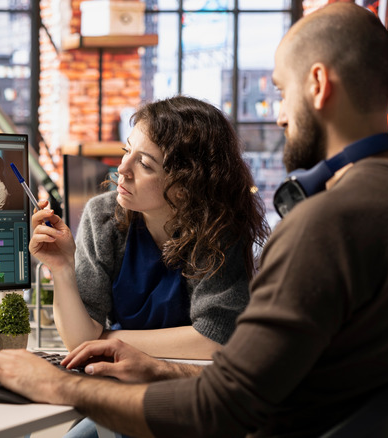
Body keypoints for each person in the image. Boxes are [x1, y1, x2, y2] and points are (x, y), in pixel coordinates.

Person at [0, 4, 388, 437]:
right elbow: (255, 380)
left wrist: (59, 385)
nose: (279, 115)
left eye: (281, 92)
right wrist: (157, 365)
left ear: (317, 84)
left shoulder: (321, 224)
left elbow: (223, 404)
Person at [31, 96, 269, 362]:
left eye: (144, 164)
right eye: (126, 151)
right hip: (120, 374)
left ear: (184, 186)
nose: (122, 169)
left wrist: (106, 341)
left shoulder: (217, 230)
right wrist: (62, 267)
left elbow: (216, 339)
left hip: (188, 383)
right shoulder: (102, 217)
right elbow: (79, 340)